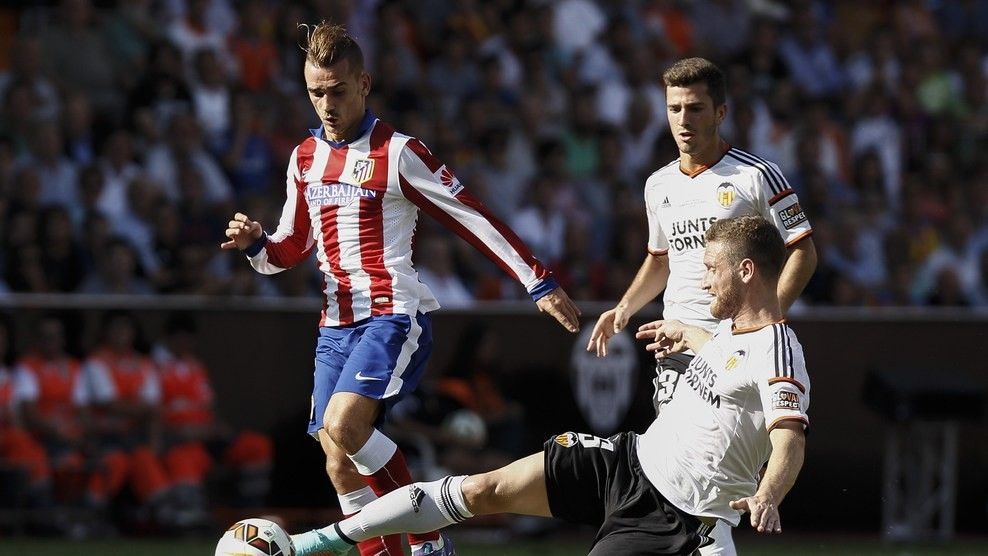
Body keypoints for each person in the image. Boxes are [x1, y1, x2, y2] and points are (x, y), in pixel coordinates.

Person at [221, 22, 581, 556]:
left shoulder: (399, 152)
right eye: (316, 92)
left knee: (344, 425)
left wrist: (537, 279)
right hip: (335, 326)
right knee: (338, 459)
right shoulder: (304, 158)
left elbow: (470, 215)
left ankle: (429, 542)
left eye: (338, 91)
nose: (326, 104)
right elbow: (288, 250)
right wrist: (256, 245)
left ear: (364, 84)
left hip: (391, 314)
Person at [289, 215, 810, 556]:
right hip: (627, 461)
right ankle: (314, 543)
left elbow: (789, 438)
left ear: (746, 271)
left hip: (678, 517)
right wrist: (686, 332)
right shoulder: (729, 331)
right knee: (485, 488)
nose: (703, 280)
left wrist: (767, 494)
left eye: (712, 269)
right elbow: (726, 357)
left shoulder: (779, 350)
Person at [587, 57, 816, 555]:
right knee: (687, 476)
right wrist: (624, 308)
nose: (683, 120)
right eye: (674, 109)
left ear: (720, 112)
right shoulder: (659, 185)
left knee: (704, 484)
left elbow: (803, 249)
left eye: (695, 108)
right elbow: (660, 259)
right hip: (678, 344)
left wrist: (763, 324)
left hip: (735, 349)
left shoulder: (757, 176)